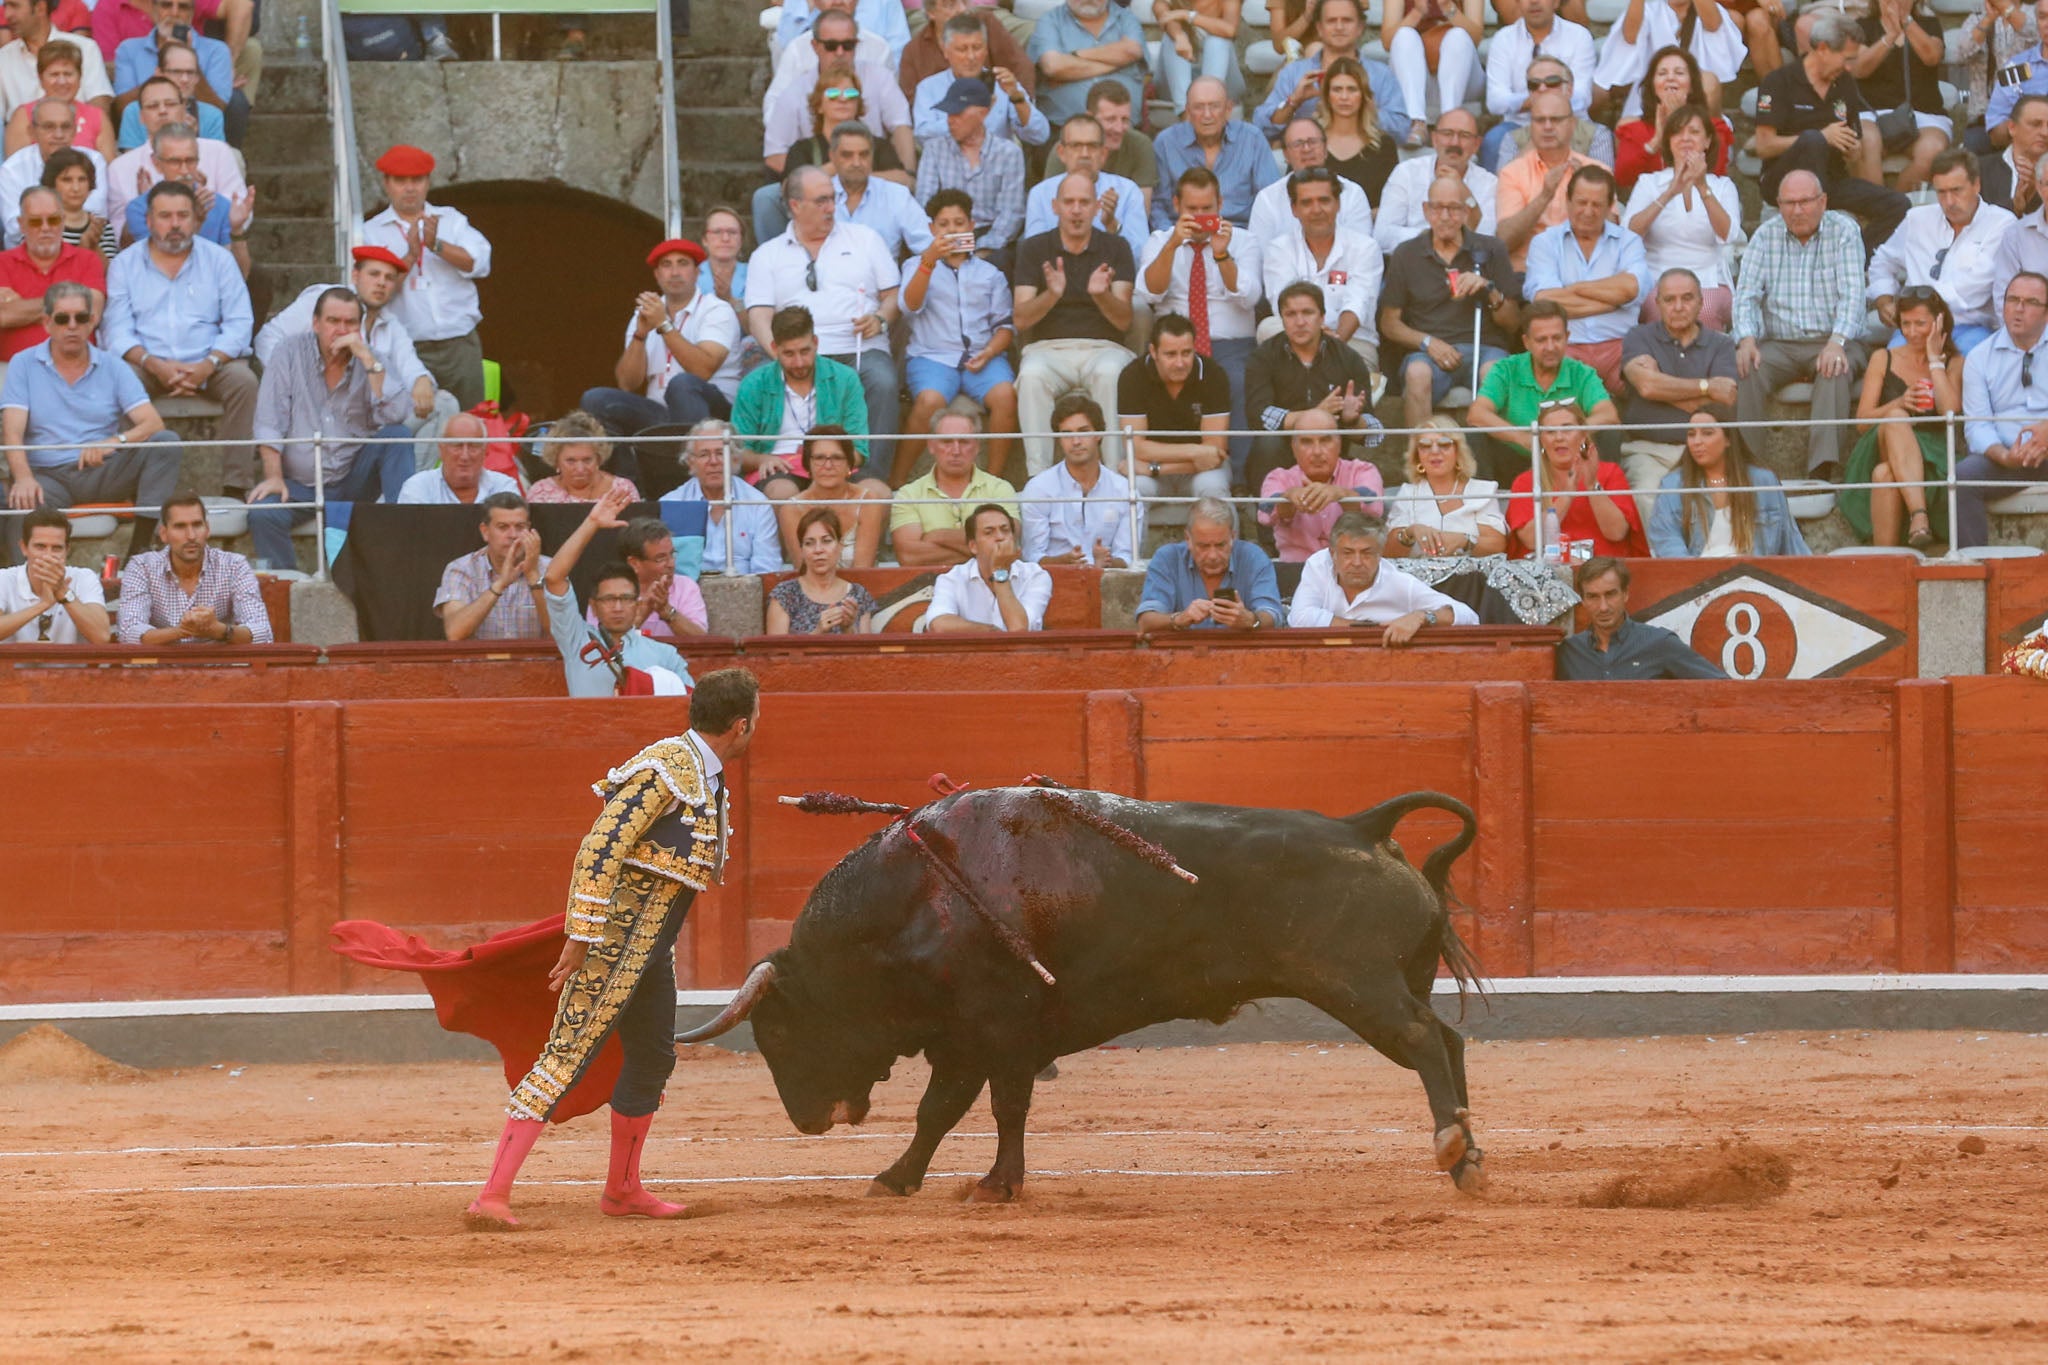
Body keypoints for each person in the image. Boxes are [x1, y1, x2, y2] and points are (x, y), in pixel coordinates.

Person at [463, 667, 760, 1229]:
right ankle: (492, 1194)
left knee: (652, 1057)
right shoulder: (668, 769)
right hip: (611, 945)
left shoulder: (700, 772)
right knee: (565, 1056)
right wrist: (582, 934)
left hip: (651, 950)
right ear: (741, 725)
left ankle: (623, 1191)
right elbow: (599, 846)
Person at [1, 281, 176, 560]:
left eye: (81, 318)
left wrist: (114, 441)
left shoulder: (113, 365)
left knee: (166, 444)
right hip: (49, 476)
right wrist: (22, 478)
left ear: (92, 321)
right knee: (21, 504)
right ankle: (26, 591)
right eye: (62, 319)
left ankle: (140, 550)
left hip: (103, 469)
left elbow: (153, 424)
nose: (72, 326)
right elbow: (12, 431)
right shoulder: (23, 363)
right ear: (47, 323)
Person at [245, 287, 414, 571]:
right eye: (333, 321)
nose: (341, 330)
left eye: (349, 323)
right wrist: (273, 476)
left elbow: (397, 414)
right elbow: (269, 420)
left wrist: (367, 360)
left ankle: (405, 535)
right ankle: (288, 589)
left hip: (353, 479)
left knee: (397, 436)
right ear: (316, 323)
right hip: (300, 485)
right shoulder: (288, 352)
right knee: (263, 514)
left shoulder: (372, 359)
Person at [748, 164, 901, 447]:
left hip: (860, 349)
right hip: (799, 352)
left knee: (884, 382)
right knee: (762, 381)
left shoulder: (865, 239)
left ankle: (871, 479)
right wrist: (781, 352)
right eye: (821, 201)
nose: (831, 207)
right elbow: (758, 314)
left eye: (832, 198)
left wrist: (880, 318)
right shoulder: (766, 255)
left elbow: (893, 295)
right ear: (795, 205)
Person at [1732, 171, 1869, 481]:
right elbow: (1746, 296)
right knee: (1747, 365)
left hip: (1835, 337)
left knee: (1835, 368)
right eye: (1789, 203)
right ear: (1778, 205)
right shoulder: (1765, 235)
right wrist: (1747, 338)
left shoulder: (1844, 230)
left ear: (1822, 202)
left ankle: (1821, 470)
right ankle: (1747, 468)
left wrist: (1837, 342)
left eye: (1805, 202)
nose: (1797, 210)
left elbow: (1853, 295)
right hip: (1780, 343)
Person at [1136, 166, 1260, 480]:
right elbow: (1148, 291)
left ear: (1220, 203)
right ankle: (1170, 472)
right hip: (1174, 346)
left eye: (1208, 209)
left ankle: (1241, 478)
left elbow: (1250, 297)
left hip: (1230, 344)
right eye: (1193, 209)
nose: (1201, 216)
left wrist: (1221, 256)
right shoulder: (1160, 240)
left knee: (1240, 380)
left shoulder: (1243, 242)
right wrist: (1172, 246)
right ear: (1177, 205)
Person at [1750, 13, 1907, 255]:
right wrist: (1821, 137)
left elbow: (1853, 146)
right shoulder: (1780, 81)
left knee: (1899, 205)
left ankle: (1856, 259)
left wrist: (1853, 150)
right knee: (1813, 140)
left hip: (1830, 182)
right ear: (1822, 49)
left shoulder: (1845, 85)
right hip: (1783, 182)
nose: (1849, 67)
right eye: (1845, 59)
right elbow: (1764, 145)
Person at [1012, 170, 1136, 477]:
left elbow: (1124, 321)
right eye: (1069, 202)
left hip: (1104, 347)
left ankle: (1113, 477)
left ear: (1097, 207)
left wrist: (1102, 295)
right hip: (1047, 349)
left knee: (1110, 374)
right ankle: (1038, 478)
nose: (1076, 210)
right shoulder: (1033, 248)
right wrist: (1052, 295)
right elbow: (1021, 318)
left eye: (1084, 202)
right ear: (1055, 206)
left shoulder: (1116, 248)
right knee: (1030, 376)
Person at [1379, 175, 1518, 437]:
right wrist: (1427, 342)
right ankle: (1421, 463)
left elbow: (1513, 322)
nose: (1445, 216)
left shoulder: (1490, 249)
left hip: (1484, 347)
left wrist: (1489, 290)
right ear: (1425, 210)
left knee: (1494, 373)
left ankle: (1492, 465)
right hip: (1429, 351)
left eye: (1454, 208)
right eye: (1437, 208)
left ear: (1466, 212)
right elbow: (1389, 323)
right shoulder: (1407, 254)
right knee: (1417, 373)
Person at [358, 144, 492, 410]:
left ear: (427, 182)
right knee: (416, 428)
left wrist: (436, 246)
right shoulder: (371, 232)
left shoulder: (451, 220)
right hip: (407, 348)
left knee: (469, 425)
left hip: (459, 342)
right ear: (386, 184)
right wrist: (409, 256)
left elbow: (480, 263)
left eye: (417, 180)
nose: (410, 188)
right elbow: (372, 295)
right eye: (400, 180)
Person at [899, 188, 1018, 484]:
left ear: (971, 225)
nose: (952, 230)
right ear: (931, 229)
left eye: (959, 222)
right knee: (929, 400)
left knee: (1005, 395)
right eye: (943, 224)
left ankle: (994, 482)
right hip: (932, 356)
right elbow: (909, 306)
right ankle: (897, 481)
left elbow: (1005, 327)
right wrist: (928, 261)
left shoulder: (990, 273)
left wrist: (989, 353)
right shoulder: (915, 265)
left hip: (983, 355)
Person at [253, 247, 435, 433]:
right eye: (374, 274)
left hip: (364, 416)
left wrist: (421, 379)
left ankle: (417, 463)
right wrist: (293, 382)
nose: (381, 283)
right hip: (314, 408)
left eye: (389, 278)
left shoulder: (391, 323)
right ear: (355, 276)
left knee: (443, 404)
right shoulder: (324, 300)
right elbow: (268, 337)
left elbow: (409, 364)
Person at [580, 237, 741, 442]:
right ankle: (628, 473)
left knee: (682, 384)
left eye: (682, 263)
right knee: (595, 399)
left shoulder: (717, 309)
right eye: (666, 265)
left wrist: (663, 325)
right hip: (662, 414)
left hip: (714, 415)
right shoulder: (647, 312)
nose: (674, 272)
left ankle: (690, 466)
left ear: (697, 272)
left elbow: (702, 370)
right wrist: (640, 336)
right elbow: (627, 383)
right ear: (657, 275)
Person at [539, 490, 697, 691]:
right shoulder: (576, 640)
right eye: (608, 599)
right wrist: (592, 522)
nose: (617, 607)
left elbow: (689, 707)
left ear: (637, 603)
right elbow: (554, 578)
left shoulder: (665, 655)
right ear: (593, 606)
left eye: (626, 598)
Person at [1868, 150, 2017, 359]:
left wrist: (1911, 304)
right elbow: (1881, 262)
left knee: (1969, 369)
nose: (1949, 201)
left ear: (1976, 185)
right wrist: (1884, 299)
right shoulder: (1917, 219)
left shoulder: (2001, 223)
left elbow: (1972, 291)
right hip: (1914, 329)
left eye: (1956, 190)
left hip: (1969, 328)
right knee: (1892, 366)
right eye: (1941, 192)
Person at [1523, 164, 1651, 394]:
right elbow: (1545, 304)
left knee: (1648, 378)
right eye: (1582, 202)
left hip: (1621, 347)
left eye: (1597, 204)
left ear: (1610, 206)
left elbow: (1630, 289)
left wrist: (1573, 289)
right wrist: (1613, 300)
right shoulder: (1545, 243)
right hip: (1565, 348)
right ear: (1568, 201)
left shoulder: (1628, 242)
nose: (1588, 211)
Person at [1618, 267, 1740, 502]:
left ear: (1701, 302)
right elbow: (1647, 387)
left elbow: (1723, 404)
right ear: (1658, 303)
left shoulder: (1721, 344)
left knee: (1722, 501)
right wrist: (1707, 387)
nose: (1678, 306)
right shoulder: (1638, 336)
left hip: (1708, 451)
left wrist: (1660, 385)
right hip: (1648, 451)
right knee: (1647, 497)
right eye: (1669, 299)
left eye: (1687, 298)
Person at [1248, 279, 1381, 490]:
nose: (1300, 322)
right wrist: (1317, 415)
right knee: (1267, 444)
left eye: (1307, 313)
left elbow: (1374, 433)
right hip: (1281, 452)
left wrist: (1352, 420)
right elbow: (1258, 415)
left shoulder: (1348, 358)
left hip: (1330, 453)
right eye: (1291, 314)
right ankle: (1269, 518)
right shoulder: (1263, 357)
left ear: (1322, 317)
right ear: (1282, 319)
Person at [1619, 105, 1742, 332]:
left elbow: (1728, 235)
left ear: (1707, 141)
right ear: (1669, 141)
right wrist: (1668, 194)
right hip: (1657, 278)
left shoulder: (1722, 186)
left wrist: (1702, 187)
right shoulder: (1649, 183)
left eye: (1694, 132)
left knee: (1704, 310)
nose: (1685, 138)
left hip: (1709, 279)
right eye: (1677, 132)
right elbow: (1628, 233)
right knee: (1660, 308)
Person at [762, 11, 915, 194]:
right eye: (831, 46)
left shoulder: (880, 79)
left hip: (872, 186)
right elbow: (775, 157)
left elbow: (901, 127)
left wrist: (860, 176)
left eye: (848, 45)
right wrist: (837, 174)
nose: (840, 52)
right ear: (815, 46)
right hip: (813, 186)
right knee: (767, 196)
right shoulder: (794, 93)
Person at [1468, 300, 1618, 479]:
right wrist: (1525, 438)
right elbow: (1477, 414)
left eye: (1557, 338)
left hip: (1570, 460)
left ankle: (1604, 492)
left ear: (1567, 337)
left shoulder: (1581, 373)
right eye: (1541, 340)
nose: (1550, 347)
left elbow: (1608, 415)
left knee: (1610, 432)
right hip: (1518, 458)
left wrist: (1565, 436)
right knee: (1474, 433)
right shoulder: (1506, 369)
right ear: (1526, 342)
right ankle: (1484, 503)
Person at [729, 304, 870, 492]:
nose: (799, 362)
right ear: (774, 348)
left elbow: (859, 448)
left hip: (835, 463)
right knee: (783, 493)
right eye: (789, 354)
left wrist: (829, 462)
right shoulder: (753, 384)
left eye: (805, 351)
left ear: (816, 343)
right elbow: (738, 452)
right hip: (778, 467)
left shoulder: (845, 378)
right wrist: (762, 459)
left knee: (878, 493)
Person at [1956, 272, 2048, 549]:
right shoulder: (1979, 358)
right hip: (2008, 457)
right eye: (2013, 300)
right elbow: (1977, 425)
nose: (2019, 309)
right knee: (1962, 477)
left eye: (2031, 302)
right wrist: (2005, 455)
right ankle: (1974, 569)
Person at [114, 488, 271, 645]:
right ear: (163, 534)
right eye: (180, 526)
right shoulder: (141, 566)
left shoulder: (234, 565)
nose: (191, 536)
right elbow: (128, 633)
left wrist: (219, 630)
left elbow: (262, 632)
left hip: (220, 666)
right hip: (162, 667)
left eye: (197, 525)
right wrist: (180, 631)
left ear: (207, 529)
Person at [1259, 166, 1382, 366]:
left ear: (1338, 204)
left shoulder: (1365, 247)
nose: (1317, 210)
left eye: (1324, 201)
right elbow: (1283, 304)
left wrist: (1334, 343)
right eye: (1307, 203)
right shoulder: (1279, 248)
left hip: (1352, 344)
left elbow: (1359, 302)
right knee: (1268, 327)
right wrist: (1318, 339)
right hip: (1295, 338)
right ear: (1294, 209)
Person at [1647, 409, 1810, 557]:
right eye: (1691, 434)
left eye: (1707, 433)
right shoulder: (1672, 485)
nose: (1696, 442)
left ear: (1728, 440)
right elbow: (1668, 546)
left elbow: (1791, 543)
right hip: (1697, 582)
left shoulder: (1764, 481)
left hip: (1754, 580)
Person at [1287, 510, 1479, 635]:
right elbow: (1299, 618)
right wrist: (1369, 630)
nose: (1357, 562)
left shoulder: (1399, 582)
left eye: (1367, 553)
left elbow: (1469, 617)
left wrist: (1422, 617)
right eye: (1347, 553)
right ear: (1332, 553)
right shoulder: (1319, 564)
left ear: (1380, 554)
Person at [1254, 0, 1410, 145]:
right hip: (1309, 161)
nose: (1339, 27)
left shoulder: (1380, 74)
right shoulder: (1294, 72)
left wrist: (1365, 110)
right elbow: (1261, 127)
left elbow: (1402, 130)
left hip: (1364, 160)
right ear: (1319, 28)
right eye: (1331, 21)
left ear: (1360, 28)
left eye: (1347, 20)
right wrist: (1293, 102)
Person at [1120, 312, 1232, 512]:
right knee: (1133, 490)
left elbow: (1215, 453)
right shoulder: (1132, 376)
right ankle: (1127, 546)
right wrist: (1195, 452)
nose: (1180, 363)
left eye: (1187, 353)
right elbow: (1136, 447)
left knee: (1212, 488)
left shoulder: (1213, 374)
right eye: (1171, 354)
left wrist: (1155, 468)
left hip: (1193, 471)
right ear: (1153, 352)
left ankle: (1224, 544)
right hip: (1160, 471)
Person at [1506, 401, 1646, 559]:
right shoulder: (1526, 482)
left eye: (1567, 429)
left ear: (1583, 435)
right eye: (1550, 432)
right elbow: (1531, 540)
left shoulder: (1610, 472)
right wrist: (1567, 496)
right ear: (1541, 440)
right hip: (1550, 571)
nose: (1559, 437)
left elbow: (1617, 532)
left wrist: (1592, 486)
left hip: (1600, 569)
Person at [914, 77, 1028, 266]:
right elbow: (924, 206)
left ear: (982, 113)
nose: (951, 120)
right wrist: (946, 245)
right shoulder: (934, 149)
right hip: (944, 234)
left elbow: (1011, 214)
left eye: (958, 113)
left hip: (989, 238)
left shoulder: (1008, 153)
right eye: (949, 113)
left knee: (1001, 261)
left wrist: (979, 249)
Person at [104, 73, 237, 232]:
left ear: (184, 109)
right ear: (141, 117)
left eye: (171, 104)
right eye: (153, 106)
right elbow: (120, 237)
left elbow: (239, 217)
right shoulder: (120, 168)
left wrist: (206, 206)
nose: (162, 111)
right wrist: (145, 206)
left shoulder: (219, 152)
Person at [1845, 0, 1953, 194]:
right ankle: (1877, 209)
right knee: (1865, 139)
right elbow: (1859, 69)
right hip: (1872, 113)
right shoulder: (1862, 26)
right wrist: (1890, 36)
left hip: (1924, 113)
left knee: (1932, 149)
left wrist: (1906, 23)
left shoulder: (1929, 24)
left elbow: (1932, 57)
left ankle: (1897, 208)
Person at [1555, 555, 1722, 679]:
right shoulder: (1569, 652)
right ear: (1582, 600)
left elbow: (1723, 687)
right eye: (1593, 597)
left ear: (1625, 594)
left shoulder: (1660, 643)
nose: (1603, 607)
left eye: (1610, 594)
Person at [1133, 494, 1282, 631]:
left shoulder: (1253, 557)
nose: (1212, 555)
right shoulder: (1167, 559)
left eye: (1220, 545)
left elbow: (1272, 615)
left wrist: (1251, 620)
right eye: (1203, 546)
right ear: (1187, 539)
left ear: (1233, 537)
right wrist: (1179, 618)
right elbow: (1146, 621)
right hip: (1184, 656)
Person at [1150, 76, 1280, 233]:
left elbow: (1272, 198)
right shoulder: (1166, 142)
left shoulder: (1252, 139)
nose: (1207, 115)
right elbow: (1158, 204)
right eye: (1198, 107)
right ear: (1188, 110)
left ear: (1228, 109)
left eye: (1214, 106)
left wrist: (1253, 241)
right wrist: (1170, 236)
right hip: (1184, 236)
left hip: (1239, 235)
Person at [890, 408, 1020, 565]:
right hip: (929, 585)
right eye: (947, 441)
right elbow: (909, 557)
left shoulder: (1000, 489)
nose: (956, 451)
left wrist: (938, 536)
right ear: (931, 446)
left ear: (977, 446)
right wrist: (982, 549)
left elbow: (1006, 548)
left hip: (988, 585)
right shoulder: (909, 494)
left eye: (964, 442)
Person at [1020, 392, 1132, 567]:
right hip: (1054, 581)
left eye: (1084, 432)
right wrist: (1063, 562)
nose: (1076, 441)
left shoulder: (1124, 489)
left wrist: (1105, 563)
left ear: (1099, 434)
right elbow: (1033, 556)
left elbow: (1126, 557)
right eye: (1066, 434)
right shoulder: (1038, 489)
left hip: (1108, 581)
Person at [1482, 0, 1597, 170]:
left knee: (1598, 136)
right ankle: (1499, 196)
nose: (1534, 2)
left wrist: (1541, 102)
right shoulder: (1503, 39)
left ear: (1556, 2)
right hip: (1519, 124)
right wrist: (1540, 100)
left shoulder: (1578, 36)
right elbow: (1495, 101)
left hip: (1568, 122)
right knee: (1494, 140)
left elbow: (1582, 97)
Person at [0, 182, 103, 371]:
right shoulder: (2, 263)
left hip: (75, 368)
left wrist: (20, 307)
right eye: (35, 222)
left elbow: (91, 314)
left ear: (63, 221)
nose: (45, 228)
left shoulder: (87, 260)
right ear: (21, 225)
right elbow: (3, 316)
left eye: (53, 220)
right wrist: (69, 303)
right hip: (11, 368)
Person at [1494, 90, 1598, 273]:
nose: (1548, 127)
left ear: (1572, 124)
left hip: (1584, 271)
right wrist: (1545, 196)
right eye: (1540, 120)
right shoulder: (1512, 173)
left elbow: (1612, 233)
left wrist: (1587, 189)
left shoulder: (1595, 171)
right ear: (1530, 126)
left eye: (1556, 120)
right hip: (1527, 273)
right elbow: (1504, 241)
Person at [1259, 408, 1384, 561]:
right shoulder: (1278, 478)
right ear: (1293, 447)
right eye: (1306, 442)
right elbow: (1265, 515)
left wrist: (1341, 494)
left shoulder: (1363, 471)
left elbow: (1374, 508)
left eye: (1325, 440)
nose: (1317, 451)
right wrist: (1289, 498)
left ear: (1339, 443)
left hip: (1352, 570)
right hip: (1298, 573)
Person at [1593, 0, 1746, 124]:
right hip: (1652, 97)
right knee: (1626, 127)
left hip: (1695, 98)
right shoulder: (1650, 9)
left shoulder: (1705, 10)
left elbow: (1713, 25)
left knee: (1709, 84)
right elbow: (1630, 38)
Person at [665, 419, 785, 575]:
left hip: (745, 590)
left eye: (721, 453)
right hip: (690, 593)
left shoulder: (757, 503)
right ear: (691, 463)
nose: (713, 462)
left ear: (735, 459)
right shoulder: (672, 503)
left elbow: (767, 568)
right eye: (704, 454)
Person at [1023, 113, 1147, 262]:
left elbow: (1140, 259)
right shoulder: (1040, 194)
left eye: (1092, 146)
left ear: (1103, 154)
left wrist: (1113, 227)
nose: (1085, 154)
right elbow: (1033, 257)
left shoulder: (1127, 191)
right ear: (1062, 153)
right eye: (1076, 146)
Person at [912, 13, 1049, 148]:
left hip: (998, 166)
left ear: (986, 50)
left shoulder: (1003, 84)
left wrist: (1018, 99)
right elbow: (923, 136)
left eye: (977, 48)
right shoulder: (928, 88)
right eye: (962, 49)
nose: (971, 56)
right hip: (949, 167)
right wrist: (967, 118)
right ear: (946, 51)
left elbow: (1040, 135)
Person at [1371, 108, 1498, 252]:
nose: (1454, 142)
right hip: (1414, 261)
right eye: (1447, 134)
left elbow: (1487, 238)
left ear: (1476, 144)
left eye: (1464, 135)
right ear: (1434, 139)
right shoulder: (1406, 173)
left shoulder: (1490, 183)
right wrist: (1432, 237)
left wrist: (1463, 190)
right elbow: (1382, 235)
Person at [1613, 46, 1732, 197]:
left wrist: (1679, 123)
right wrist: (1656, 141)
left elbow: (1715, 172)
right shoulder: (1633, 129)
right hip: (1649, 208)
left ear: (1691, 86)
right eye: (1662, 73)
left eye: (1679, 73)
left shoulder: (1713, 128)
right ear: (1653, 86)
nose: (1670, 78)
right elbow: (1623, 179)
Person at [1383, 416, 1507, 557]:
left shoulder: (1482, 491)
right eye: (1425, 445)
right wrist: (1410, 532)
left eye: (1444, 444)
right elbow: (1389, 554)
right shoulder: (1408, 493)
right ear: (1417, 456)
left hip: (1471, 577)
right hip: (1416, 577)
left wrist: (1464, 541)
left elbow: (1497, 545)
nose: (1434, 451)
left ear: (1458, 451)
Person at [435, 490, 548, 641]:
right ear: (485, 532)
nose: (513, 535)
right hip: (478, 663)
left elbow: (562, 634)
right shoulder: (461, 569)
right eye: (503, 527)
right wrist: (500, 584)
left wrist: (533, 576)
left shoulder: (550, 567)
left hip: (536, 663)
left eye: (520, 527)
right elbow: (455, 633)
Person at [1250, 116, 1373, 250]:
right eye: (1298, 144)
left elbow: (1361, 250)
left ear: (1325, 148)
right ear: (1286, 155)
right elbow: (1260, 256)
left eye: (1313, 142)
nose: (1307, 149)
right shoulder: (1267, 199)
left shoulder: (1352, 193)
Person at [1044, 79, 1158, 222]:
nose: (1119, 128)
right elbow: (1051, 211)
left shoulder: (1140, 145)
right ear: (1090, 118)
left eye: (1125, 120)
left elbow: (1141, 214)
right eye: (1110, 119)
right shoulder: (1067, 149)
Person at [926, 501, 1050, 632]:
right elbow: (938, 624)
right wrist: (989, 631)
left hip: (1023, 652)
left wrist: (999, 571)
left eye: (1005, 530)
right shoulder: (952, 579)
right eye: (989, 532)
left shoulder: (1035, 575)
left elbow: (1019, 628)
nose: (1000, 537)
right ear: (973, 546)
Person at [1026, 0, 1147, 133]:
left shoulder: (1126, 19)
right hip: (1066, 133)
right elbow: (1053, 66)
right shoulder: (1049, 21)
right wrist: (1118, 63)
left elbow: (1132, 51)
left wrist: (1075, 55)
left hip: (1124, 131)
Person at [776, 425, 889, 566]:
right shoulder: (791, 510)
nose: (828, 465)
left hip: (861, 585)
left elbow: (863, 570)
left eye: (837, 458)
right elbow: (804, 570)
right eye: (819, 458)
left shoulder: (868, 501)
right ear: (808, 464)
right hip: (812, 586)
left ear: (849, 464)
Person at [821, 123, 932, 263]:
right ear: (832, 156)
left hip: (883, 283)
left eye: (864, 154)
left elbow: (927, 245)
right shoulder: (817, 196)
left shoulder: (896, 195)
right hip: (827, 282)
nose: (857, 163)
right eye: (847, 155)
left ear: (872, 156)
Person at [0, 97, 104, 245]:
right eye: (49, 127)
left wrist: (41, 220)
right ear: (32, 132)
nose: (59, 135)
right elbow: (14, 227)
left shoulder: (94, 160)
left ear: (75, 131)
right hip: (27, 254)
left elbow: (96, 213)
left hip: (84, 247)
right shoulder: (12, 169)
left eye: (66, 126)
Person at [1382, 0, 1481, 149]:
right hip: (1417, 78)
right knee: (1404, 35)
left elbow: (1476, 38)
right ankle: (1416, 122)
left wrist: (1448, 7)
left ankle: (1448, 124)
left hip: (1462, 75)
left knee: (1458, 36)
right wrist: (1417, 13)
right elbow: (1388, 41)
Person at [0, 503, 107, 642]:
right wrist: (43, 605)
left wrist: (63, 592)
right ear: (24, 548)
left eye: (56, 548)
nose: (48, 556)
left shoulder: (84, 577)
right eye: (40, 547)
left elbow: (102, 637)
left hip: (72, 662)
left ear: (67, 550)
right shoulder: (3, 578)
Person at [1493, 54, 1617, 172]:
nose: (1542, 89)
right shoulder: (1513, 139)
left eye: (1552, 82)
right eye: (1534, 84)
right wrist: (1536, 141)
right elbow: (1503, 186)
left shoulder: (1597, 135)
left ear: (1569, 89)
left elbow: (1604, 186)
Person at [899, 0, 1033, 106]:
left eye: (964, 1)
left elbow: (1020, 65)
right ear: (931, 12)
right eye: (950, 4)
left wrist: (1022, 109)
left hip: (994, 120)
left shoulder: (987, 23)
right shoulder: (914, 51)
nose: (961, 9)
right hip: (940, 130)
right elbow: (912, 104)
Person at [767, 506, 876, 634]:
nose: (818, 550)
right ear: (801, 550)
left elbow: (866, 651)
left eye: (826, 541)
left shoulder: (858, 595)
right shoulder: (785, 594)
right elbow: (775, 652)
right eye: (809, 543)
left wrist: (848, 629)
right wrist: (818, 633)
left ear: (840, 546)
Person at [0, 0, 109, 124]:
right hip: (21, 139)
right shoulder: (3, 58)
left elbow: (99, 103)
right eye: (5, 6)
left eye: (14, 6)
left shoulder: (85, 48)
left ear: (40, 7)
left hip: (78, 136)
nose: (7, 14)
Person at [2, 39, 111, 161]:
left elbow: (107, 170)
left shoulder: (97, 117)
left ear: (80, 77)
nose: (62, 82)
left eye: (68, 74)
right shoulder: (23, 116)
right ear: (40, 78)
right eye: (54, 74)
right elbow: (16, 170)